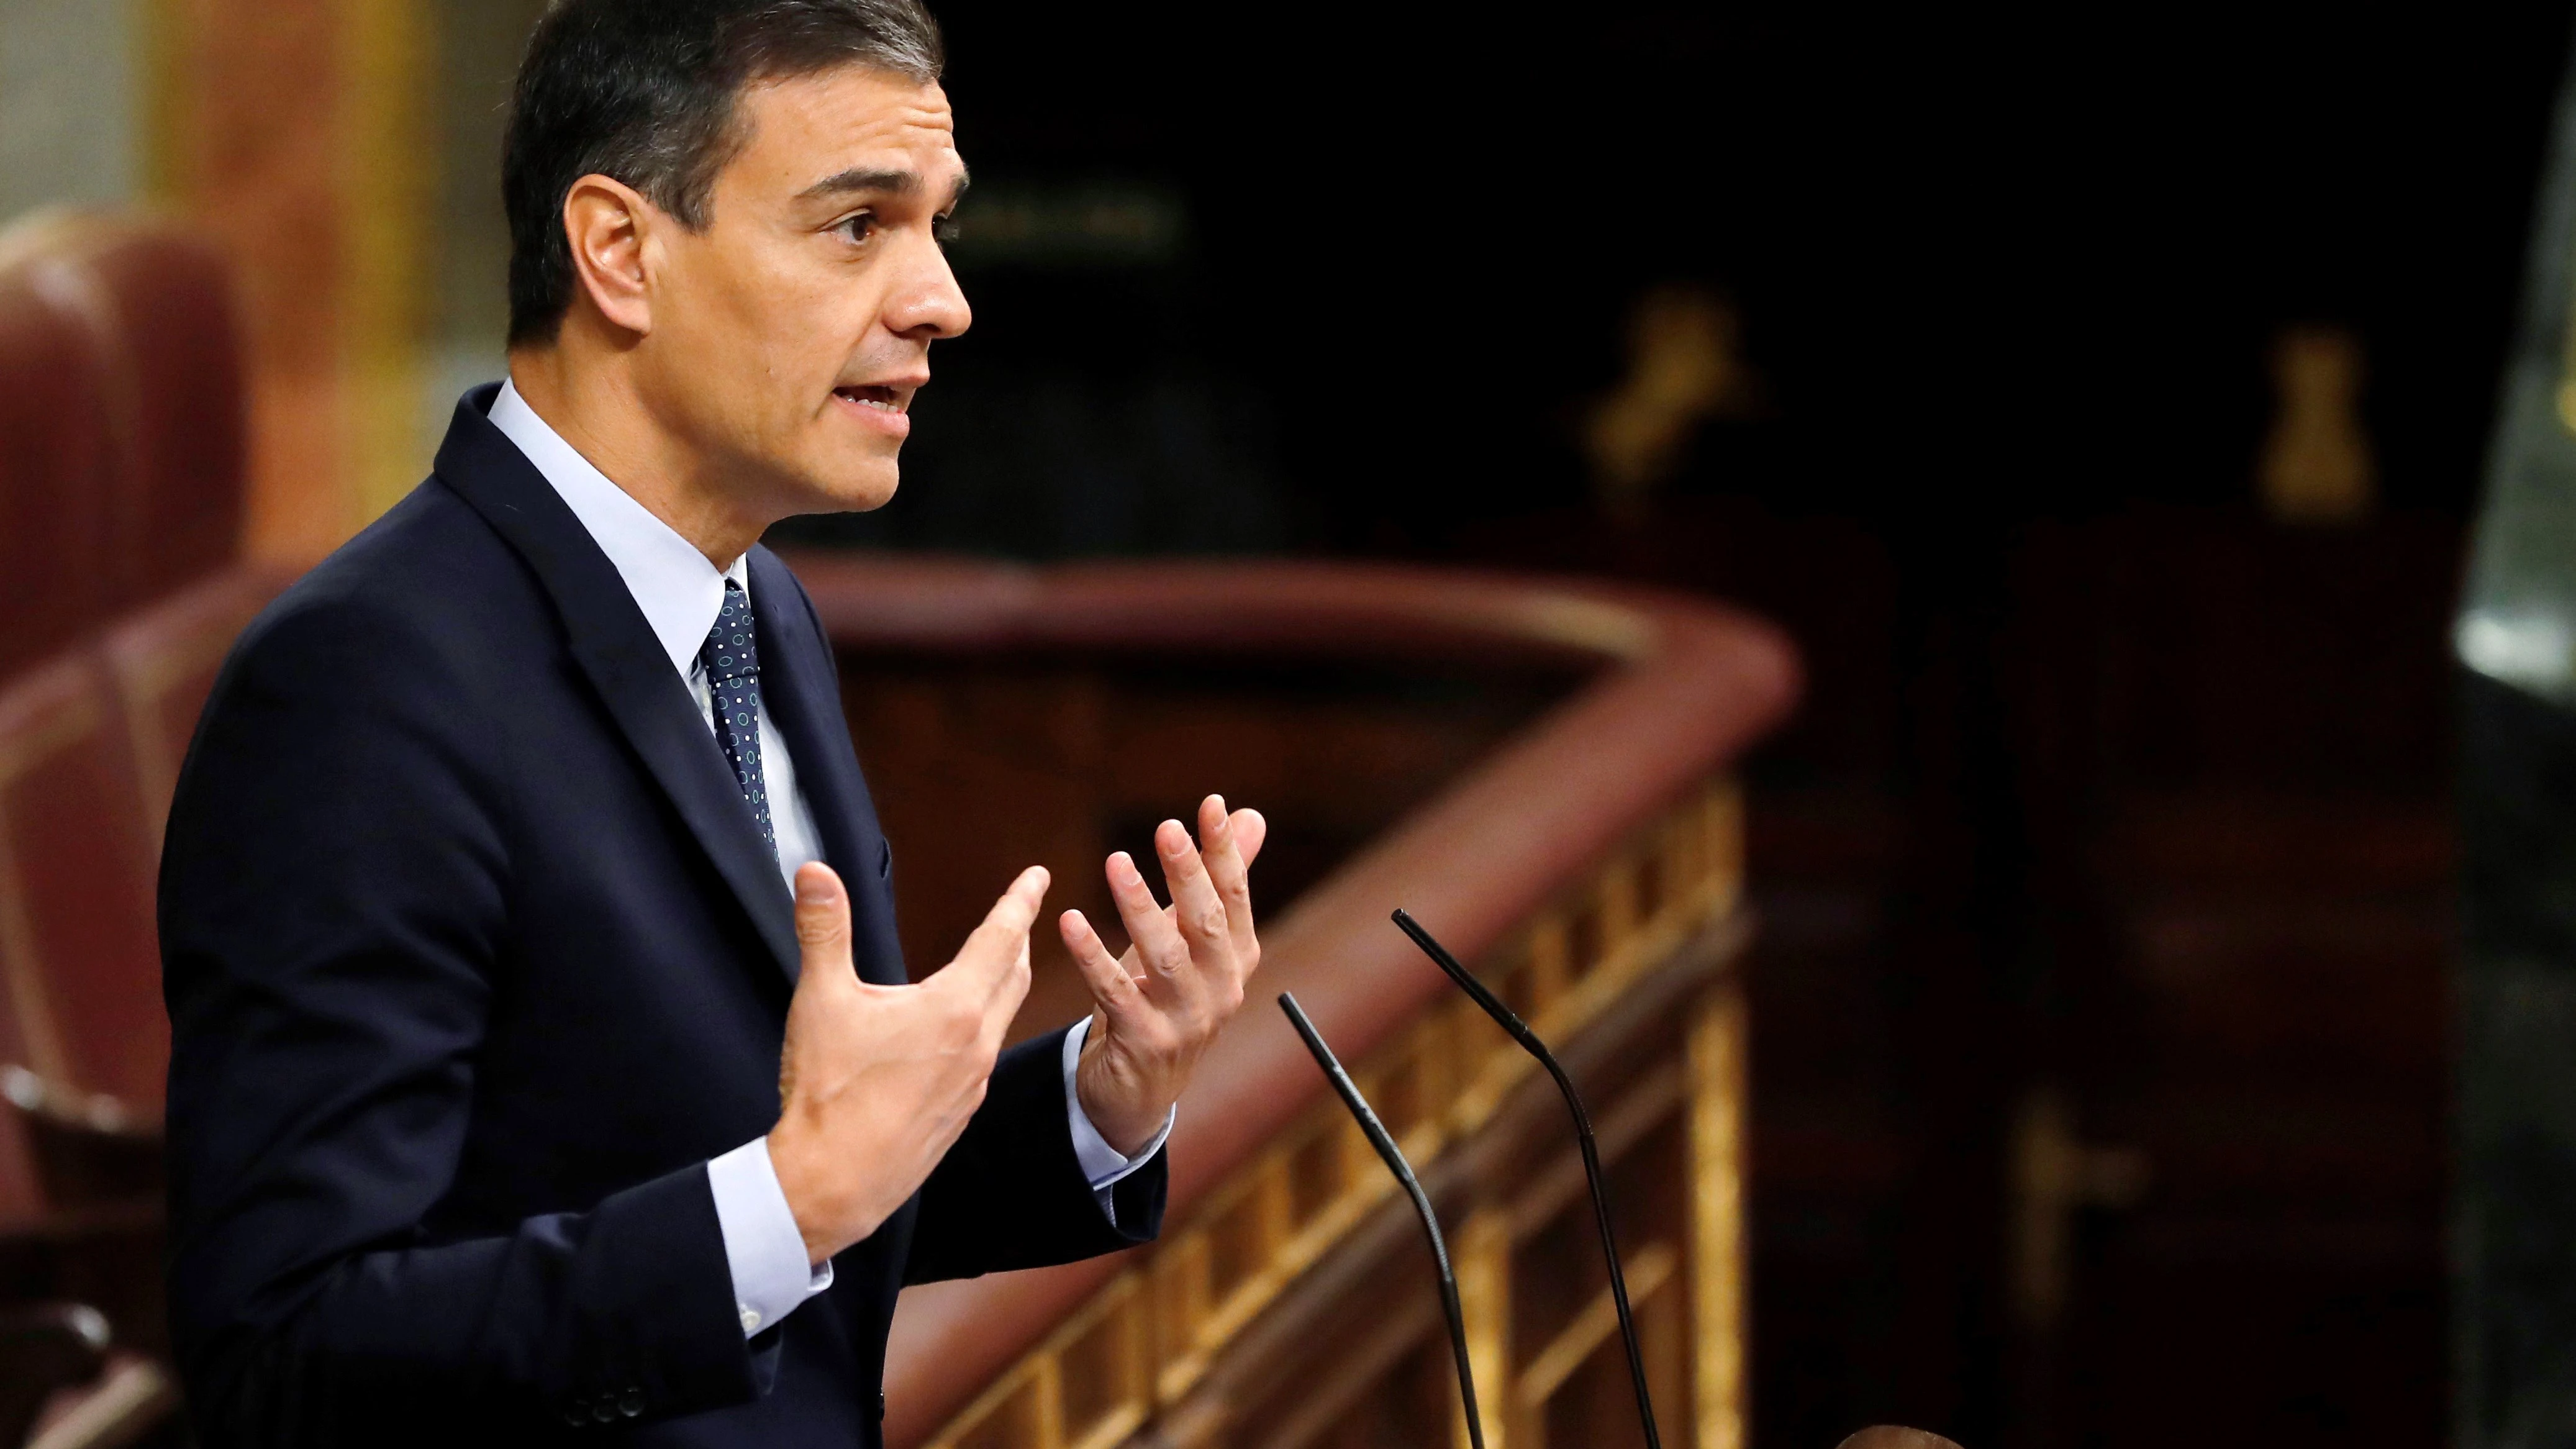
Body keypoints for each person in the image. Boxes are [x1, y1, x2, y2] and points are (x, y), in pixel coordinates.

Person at [156, 2, 1261, 1443]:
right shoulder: (364, 688)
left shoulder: (761, 609)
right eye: (859, 225)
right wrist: (794, 1195)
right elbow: (288, 1357)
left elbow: (753, 1175)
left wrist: (1097, 1099)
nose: (942, 298)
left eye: (935, 224)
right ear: (620, 251)